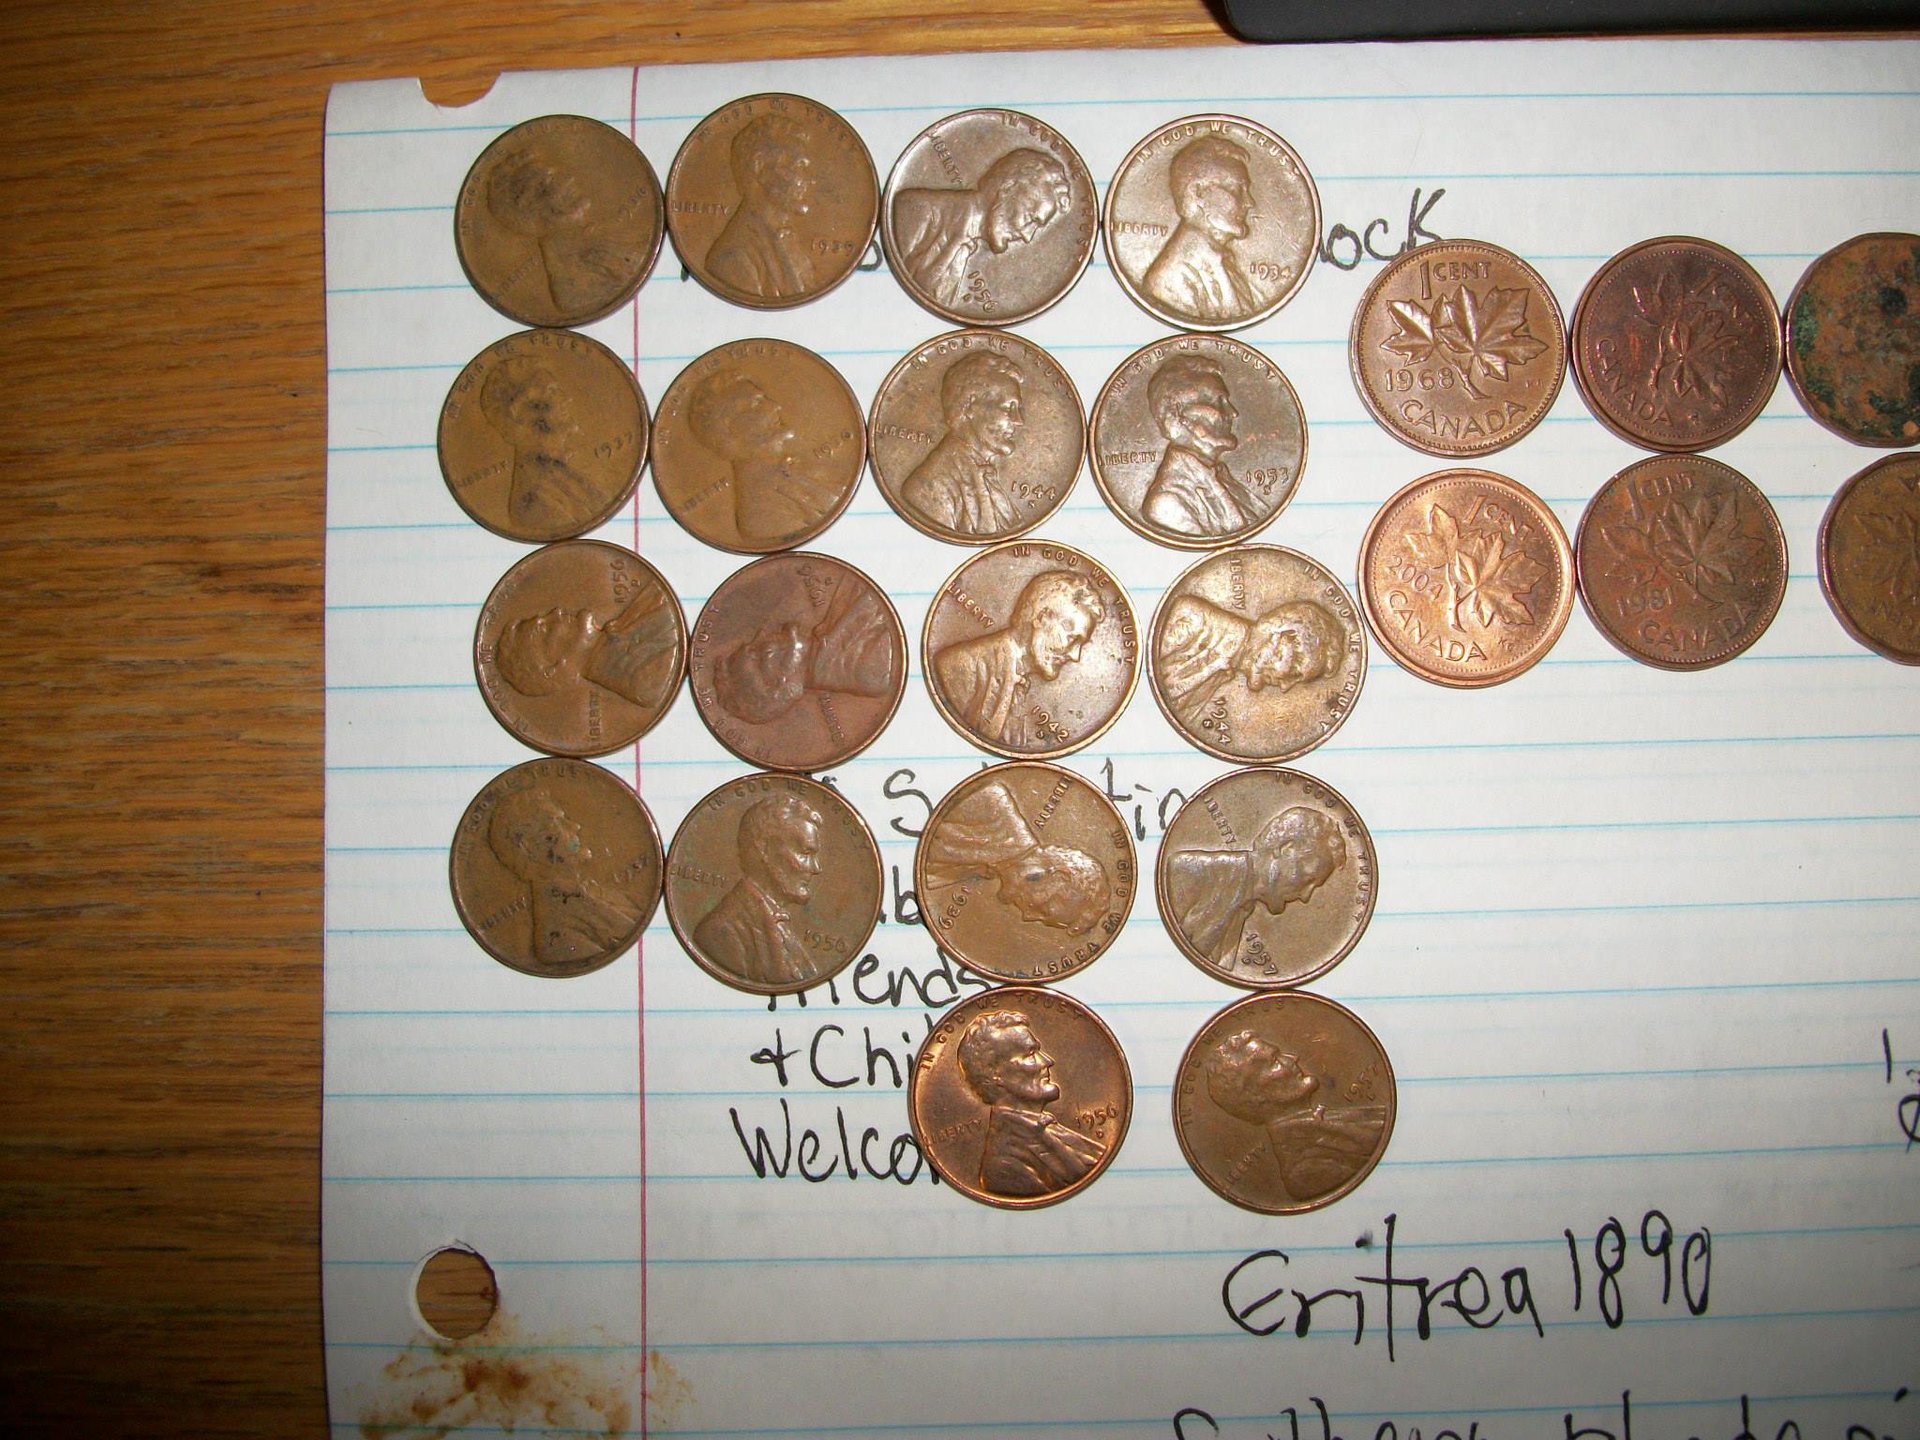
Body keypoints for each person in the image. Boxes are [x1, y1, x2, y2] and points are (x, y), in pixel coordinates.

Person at [1204, 1029, 1388, 1204]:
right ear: (1255, 1096)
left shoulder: (1327, 1123)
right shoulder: (1306, 1172)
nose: (1293, 1058)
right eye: (1274, 1061)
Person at [933, 570, 1104, 748]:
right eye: (1072, 638)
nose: (1075, 656)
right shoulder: (958, 667)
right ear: (1041, 618)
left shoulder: (1020, 682)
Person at [919, 778, 1110, 935]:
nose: (1027, 916)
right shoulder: (992, 804)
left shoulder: (982, 871)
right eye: (1045, 909)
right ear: (1059, 877)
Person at [1163, 805, 1347, 966]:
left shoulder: (1242, 910)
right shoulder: (1185, 872)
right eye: (1307, 879)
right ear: (1286, 849)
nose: (1305, 896)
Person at [891, 147, 1074, 307]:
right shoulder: (914, 210)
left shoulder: (968, 248)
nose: (1028, 237)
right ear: (1007, 188)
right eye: (1030, 218)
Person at [487, 785, 641, 968]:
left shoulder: (599, 894)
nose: (575, 826)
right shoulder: (559, 940)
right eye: (558, 822)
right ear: (531, 847)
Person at [957, 1009, 1106, 1198]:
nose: (1047, 1061)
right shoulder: (1005, 1167)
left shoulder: (1048, 1131)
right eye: (1030, 1054)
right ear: (995, 1075)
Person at [710, 579, 897, 726]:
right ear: (782, 683)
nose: (761, 636)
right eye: (760, 654)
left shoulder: (826, 633)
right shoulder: (869, 672)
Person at [485, 144, 639, 317]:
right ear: (532, 206)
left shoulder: (612, 243)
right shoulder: (574, 291)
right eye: (548, 182)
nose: (568, 180)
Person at [684, 367, 833, 545]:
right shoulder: (763, 519)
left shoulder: (795, 479)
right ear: (729, 428)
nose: (775, 406)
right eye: (756, 403)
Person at [1154, 593, 1345, 729]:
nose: (1285, 686)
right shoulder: (1191, 618)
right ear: (1280, 637)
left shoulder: (1223, 674)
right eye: (1294, 671)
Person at [693, 793, 824, 986]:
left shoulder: (778, 922)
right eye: (805, 853)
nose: (816, 868)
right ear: (764, 850)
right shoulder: (720, 932)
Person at [900, 351, 1027, 536]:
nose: (1019, 420)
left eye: (1018, 409)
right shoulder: (928, 488)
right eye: (1008, 408)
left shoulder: (987, 475)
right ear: (969, 406)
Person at [493, 590, 680, 712]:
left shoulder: (620, 627)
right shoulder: (645, 683)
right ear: (555, 666)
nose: (556, 612)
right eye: (546, 629)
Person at [1143, 134, 1260, 325]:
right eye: (1236, 190)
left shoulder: (1227, 265)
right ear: (1197, 193)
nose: (1249, 202)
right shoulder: (1170, 279)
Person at [1141, 355, 1262, 537]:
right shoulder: (1166, 502)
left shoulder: (1222, 478)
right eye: (1217, 402)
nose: (1233, 413)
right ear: (1177, 414)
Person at [478, 356, 599, 534]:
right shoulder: (536, 505)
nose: (566, 400)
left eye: (557, 391)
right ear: (520, 421)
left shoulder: (569, 481)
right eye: (550, 394)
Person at [706, 113, 818, 300]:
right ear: (759, 168)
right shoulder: (733, 259)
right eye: (799, 166)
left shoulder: (786, 238)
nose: (811, 180)